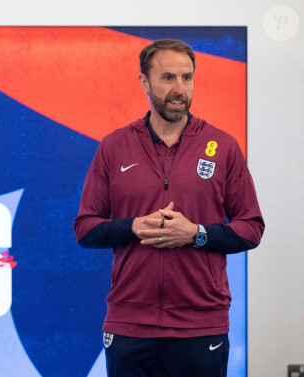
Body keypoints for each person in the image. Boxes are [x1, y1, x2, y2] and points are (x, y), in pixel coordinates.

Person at [74, 39, 264, 377]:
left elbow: (251, 227)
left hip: (201, 325)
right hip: (130, 325)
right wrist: (132, 227)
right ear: (144, 83)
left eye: (187, 78)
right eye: (168, 78)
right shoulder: (114, 146)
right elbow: (86, 228)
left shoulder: (222, 147)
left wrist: (197, 234)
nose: (180, 89)